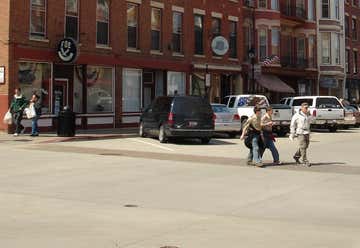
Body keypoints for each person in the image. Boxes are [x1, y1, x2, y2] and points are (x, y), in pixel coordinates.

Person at [289, 102, 313, 167]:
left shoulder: (308, 114)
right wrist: (292, 134)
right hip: (300, 132)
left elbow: (313, 121)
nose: (307, 109)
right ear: (301, 108)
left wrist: (310, 115)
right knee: (303, 146)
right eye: (305, 108)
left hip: (307, 132)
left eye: (307, 108)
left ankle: (296, 156)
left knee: (305, 146)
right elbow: (292, 125)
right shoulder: (297, 115)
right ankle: (305, 161)